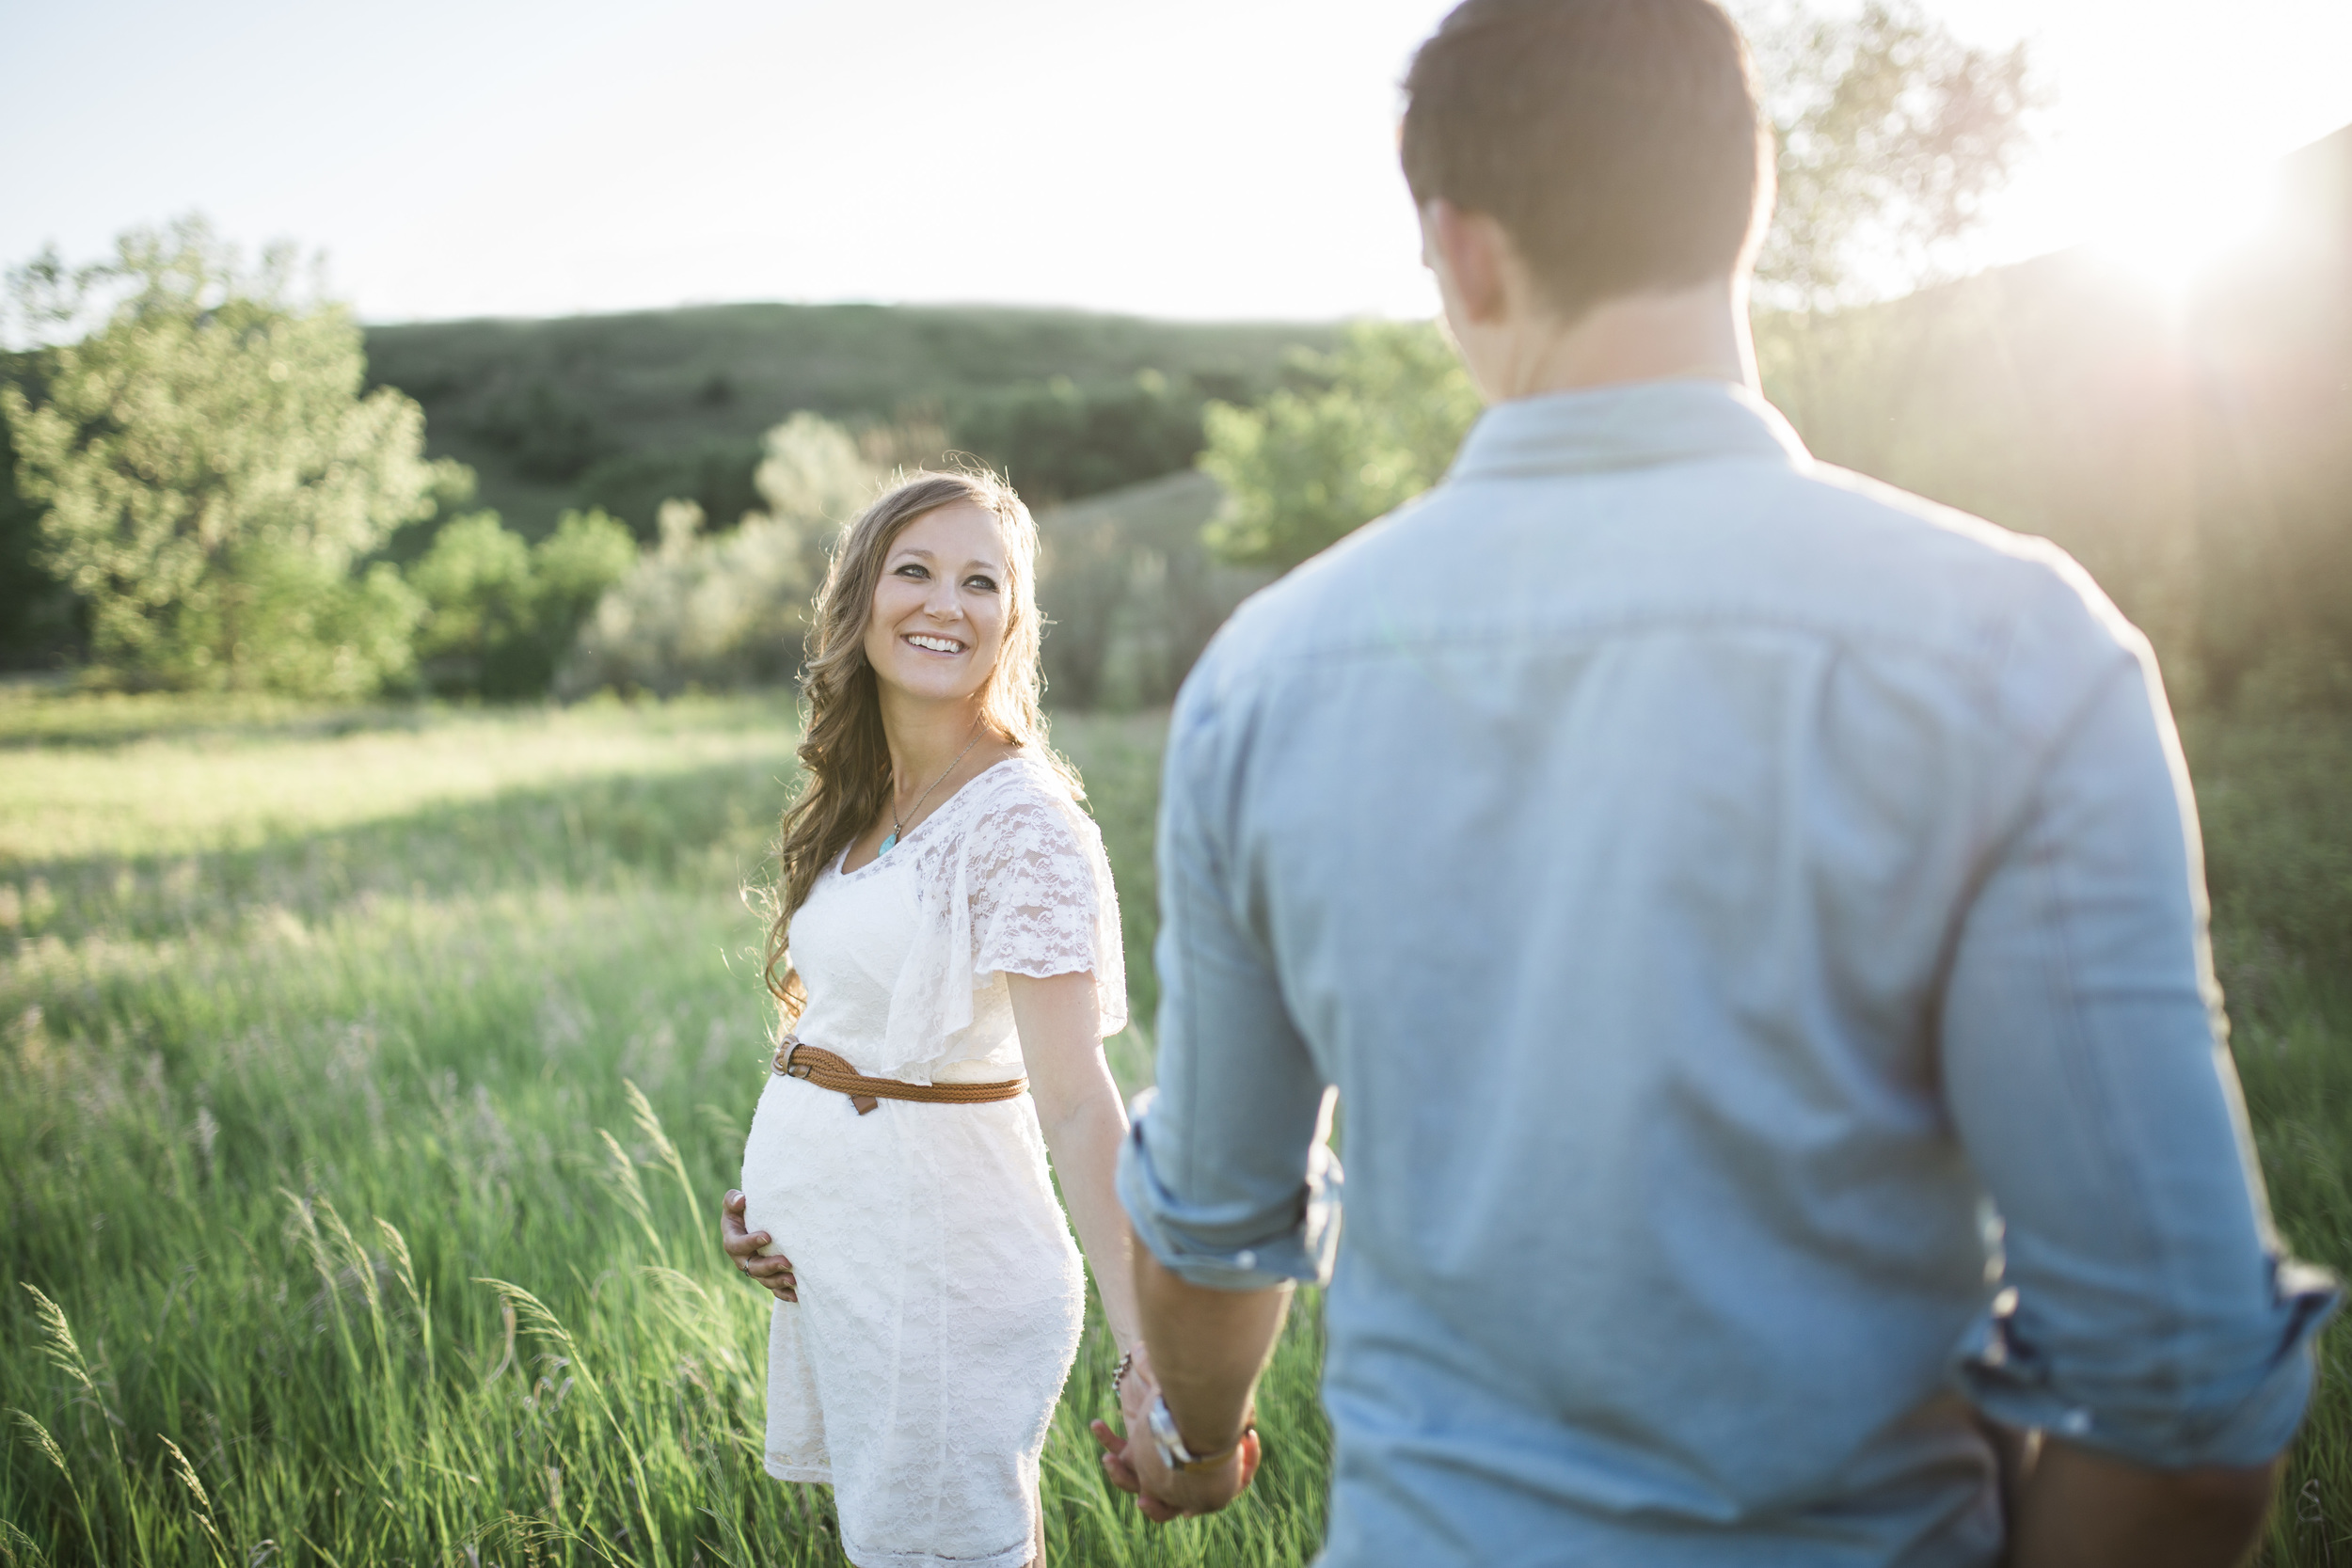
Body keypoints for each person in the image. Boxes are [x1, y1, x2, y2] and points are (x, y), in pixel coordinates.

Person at [1094, 1, 2340, 1563]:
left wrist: (1196, 1442)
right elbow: (2175, 1401)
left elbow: (1213, 1231)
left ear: (1463, 251)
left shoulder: (1258, 687)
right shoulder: (2020, 654)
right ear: (1743, 199)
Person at [719, 468, 1154, 1568]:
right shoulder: (871, 800)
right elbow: (853, 1034)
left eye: (980, 581)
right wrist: (775, 1207)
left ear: (1012, 620)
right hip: (853, 1268)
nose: (943, 603)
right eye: (913, 570)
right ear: (860, 595)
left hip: (947, 1280)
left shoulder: (1023, 825)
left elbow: (1077, 1102)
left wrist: (1147, 1351)